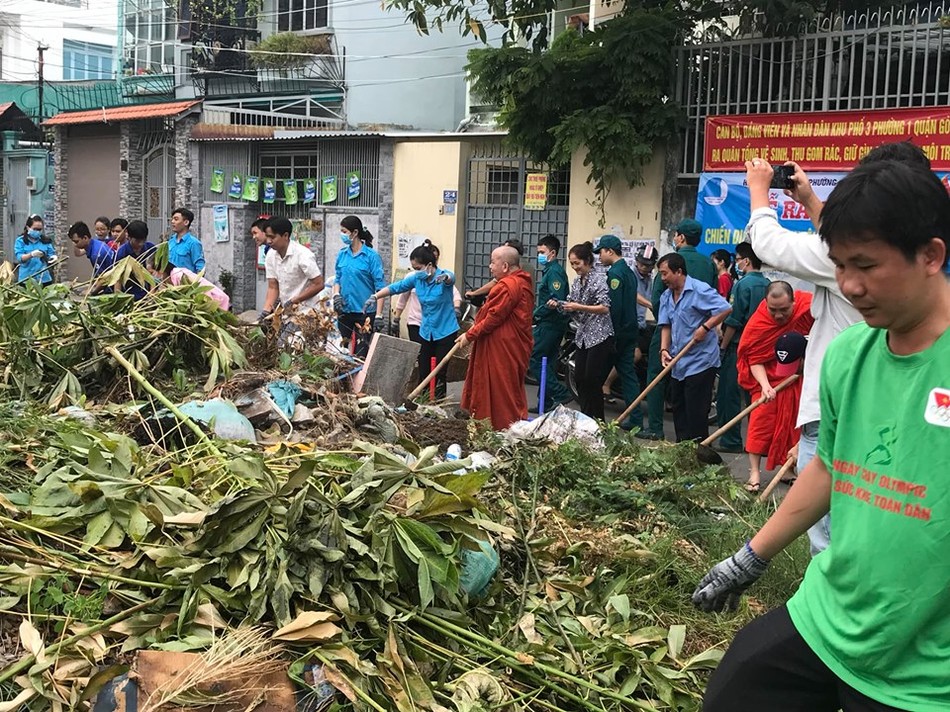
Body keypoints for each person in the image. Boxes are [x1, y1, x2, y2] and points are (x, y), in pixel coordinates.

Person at [693, 158, 950, 712]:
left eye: (866, 266)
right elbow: (830, 468)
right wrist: (749, 558)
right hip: (827, 617)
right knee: (735, 690)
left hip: (923, 669)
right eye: (838, 266)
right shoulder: (847, 356)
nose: (849, 286)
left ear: (930, 256)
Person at [745, 143, 926, 554]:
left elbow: (772, 246)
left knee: (829, 540)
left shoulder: (844, 261)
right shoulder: (911, 251)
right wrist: (808, 199)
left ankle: (826, 607)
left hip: (839, 413)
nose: (850, 278)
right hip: (891, 409)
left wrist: (760, 191)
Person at [642, 219, 717, 440]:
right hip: (701, 333)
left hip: (671, 330)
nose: (674, 238)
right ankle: (695, 439)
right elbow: (716, 299)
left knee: (658, 375)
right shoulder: (708, 264)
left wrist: (667, 322)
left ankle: (655, 428)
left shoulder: (668, 264)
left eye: (676, 235)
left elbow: (658, 301)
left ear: (681, 237)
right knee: (695, 390)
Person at [736, 282, 815, 491]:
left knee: (793, 425)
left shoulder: (808, 308)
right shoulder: (759, 323)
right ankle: (754, 472)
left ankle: (787, 469)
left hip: (795, 377)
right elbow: (753, 358)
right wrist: (764, 386)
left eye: (784, 310)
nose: (778, 316)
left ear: (793, 302)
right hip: (768, 380)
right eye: (773, 310)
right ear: (766, 303)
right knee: (760, 425)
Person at [657, 252, 732, 442]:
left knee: (696, 414)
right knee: (679, 411)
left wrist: (706, 327)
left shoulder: (699, 290)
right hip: (678, 362)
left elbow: (725, 308)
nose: (662, 278)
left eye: (665, 273)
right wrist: (664, 350)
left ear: (679, 271)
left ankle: (701, 456)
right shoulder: (666, 296)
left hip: (701, 362)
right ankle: (683, 454)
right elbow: (665, 324)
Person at [370, 244, 459, 399]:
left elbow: (451, 277)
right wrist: (375, 296)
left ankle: (438, 401)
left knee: (439, 370)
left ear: (429, 265)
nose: (416, 271)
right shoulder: (417, 279)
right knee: (424, 368)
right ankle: (423, 401)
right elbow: (395, 288)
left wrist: (444, 278)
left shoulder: (443, 276)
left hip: (445, 330)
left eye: (418, 267)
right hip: (425, 330)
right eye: (413, 268)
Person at [458, 246, 534, 430]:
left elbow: (494, 317)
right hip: (506, 345)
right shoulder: (520, 282)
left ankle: (502, 428)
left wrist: (470, 335)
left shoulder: (509, 286)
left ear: (506, 266)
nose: (490, 266)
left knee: (502, 391)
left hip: (504, 348)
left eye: (493, 262)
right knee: (505, 388)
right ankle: (498, 426)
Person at [715, 241, 771, 453]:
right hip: (762, 349)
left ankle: (730, 440)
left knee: (729, 395)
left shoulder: (742, 285)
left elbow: (734, 320)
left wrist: (724, 345)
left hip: (740, 347)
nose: (735, 264)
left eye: (737, 260)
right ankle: (760, 444)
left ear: (746, 261)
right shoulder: (767, 284)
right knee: (756, 398)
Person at [553, 242, 614, 420]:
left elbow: (604, 307)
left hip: (600, 335)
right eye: (572, 264)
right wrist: (559, 305)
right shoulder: (577, 281)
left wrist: (579, 306)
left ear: (587, 261)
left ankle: (598, 420)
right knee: (579, 378)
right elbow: (571, 302)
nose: (574, 267)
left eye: (577, 263)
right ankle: (586, 417)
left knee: (592, 380)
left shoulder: (599, 279)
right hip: (583, 335)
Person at [595, 235, 644, 429]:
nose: (599, 256)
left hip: (616, 333)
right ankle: (636, 419)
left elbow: (614, 307)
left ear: (610, 251)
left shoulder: (615, 274)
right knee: (628, 375)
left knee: (595, 375)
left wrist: (609, 334)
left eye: (601, 251)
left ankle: (594, 417)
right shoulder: (629, 272)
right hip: (630, 331)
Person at [392, 240, 462, 361]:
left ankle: (438, 380)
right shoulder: (414, 278)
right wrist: (396, 317)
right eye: (415, 268)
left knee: (439, 363)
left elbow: (453, 285)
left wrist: (456, 308)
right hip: (418, 324)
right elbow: (399, 293)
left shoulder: (442, 277)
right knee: (422, 360)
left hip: (441, 327)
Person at [527, 234, 571, 413]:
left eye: (542, 252)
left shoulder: (554, 272)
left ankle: (560, 392)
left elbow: (555, 301)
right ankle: (544, 402)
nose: (539, 256)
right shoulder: (550, 271)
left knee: (534, 359)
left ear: (552, 253)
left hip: (550, 323)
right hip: (551, 323)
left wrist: (536, 315)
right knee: (548, 362)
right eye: (538, 252)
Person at [333, 215, 386, 358]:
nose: (342, 234)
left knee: (361, 353)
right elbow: (337, 279)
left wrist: (379, 315)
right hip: (345, 310)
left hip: (365, 313)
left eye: (344, 231)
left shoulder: (371, 257)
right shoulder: (342, 254)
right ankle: (343, 380)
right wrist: (336, 294)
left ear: (355, 233)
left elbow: (380, 288)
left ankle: (359, 380)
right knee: (341, 351)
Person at [260, 216, 325, 320]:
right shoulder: (271, 255)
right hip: (286, 314)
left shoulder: (303, 255)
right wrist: (266, 310)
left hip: (307, 313)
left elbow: (319, 284)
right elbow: (273, 287)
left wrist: (296, 300)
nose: (268, 241)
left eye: (272, 237)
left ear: (285, 235)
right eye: (267, 237)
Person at [464, 238, 526, 304]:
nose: (490, 266)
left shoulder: (518, 269)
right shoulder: (507, 278)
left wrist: (474, 293)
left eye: (493, 263)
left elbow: (494, 283)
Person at [633, 244, 658, 396]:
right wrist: (651, 305)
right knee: (635, 355)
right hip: (628, 324)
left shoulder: (651, 279)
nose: (643, 267)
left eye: (647, 265)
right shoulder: (631, 275)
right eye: (641, 264)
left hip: (642, 324)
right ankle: (606, 383)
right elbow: (634, 294)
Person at [115, 220, 156, 300]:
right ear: (128, 237)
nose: (141, 244)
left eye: (143, 240)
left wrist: (152, 293)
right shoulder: (122, 252)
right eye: (137, 241)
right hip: (128, 294)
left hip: (147, 294)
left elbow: (154, 273)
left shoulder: (150, 249)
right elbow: (117, 277)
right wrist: (118, 298)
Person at [14, 215, 56, 285]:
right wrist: (31, 255)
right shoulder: (20, 241)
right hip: (26, 279)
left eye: (39, 229)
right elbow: (20, 257)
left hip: (44, 278)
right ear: (28, 228)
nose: (37, 232)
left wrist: (53, 257)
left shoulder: (45, 241)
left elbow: (51, 254)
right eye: (35, 229)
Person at [168, 207, 205, 273]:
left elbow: (200, 269)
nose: (172, 222)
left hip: (185, 282)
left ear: (186, 222)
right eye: (172, 219)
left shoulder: (193, 243)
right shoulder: (170, 242)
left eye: (176, 219)